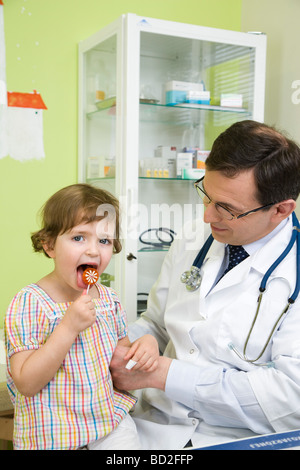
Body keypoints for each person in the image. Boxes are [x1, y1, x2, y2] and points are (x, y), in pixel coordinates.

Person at [110, 120, 300, 450]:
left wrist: (165, 375)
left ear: (281, 210)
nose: (207, 217)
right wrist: (121, 347)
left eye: (226, 208)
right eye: (206, 195)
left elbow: (289, 397)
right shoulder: (192, 237)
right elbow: (157, 323)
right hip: (154, 427)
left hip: (240, 439)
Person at [5, 183, 159, 450]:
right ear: (49, 245)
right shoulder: (30, 302)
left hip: (108, 423)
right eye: (79, 238)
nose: (92, 250)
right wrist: (68, 327)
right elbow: (27, 383)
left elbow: (119, 364)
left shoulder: (108, 300)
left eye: (104, 240)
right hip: (51, 431)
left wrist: (144, 345)